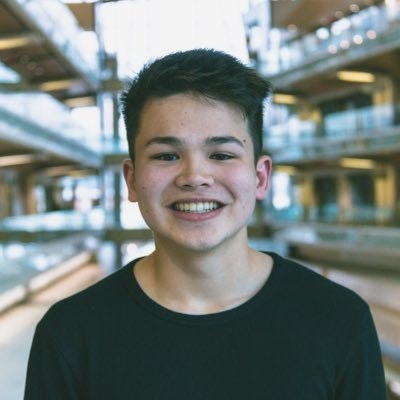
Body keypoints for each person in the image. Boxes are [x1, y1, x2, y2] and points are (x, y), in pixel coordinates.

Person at [24, 48, 387, 399]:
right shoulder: (69, 334)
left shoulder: (339, 320)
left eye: (221, 154)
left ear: (260, 177)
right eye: (167, 155)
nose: (195, 176)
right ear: (131, 180)